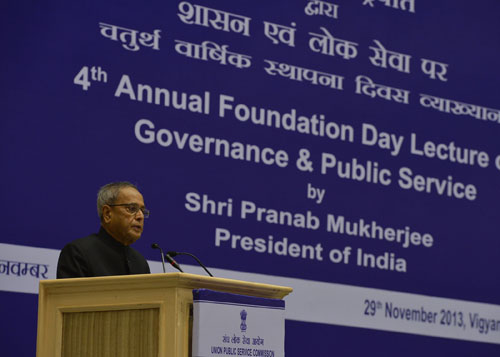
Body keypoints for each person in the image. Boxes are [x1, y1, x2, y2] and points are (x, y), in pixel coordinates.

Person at [57, 182, 151, 278]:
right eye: (131, 209)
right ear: (107, 214)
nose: (140, 216)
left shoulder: (140, 263)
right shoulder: (79, 253)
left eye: (142, 211)